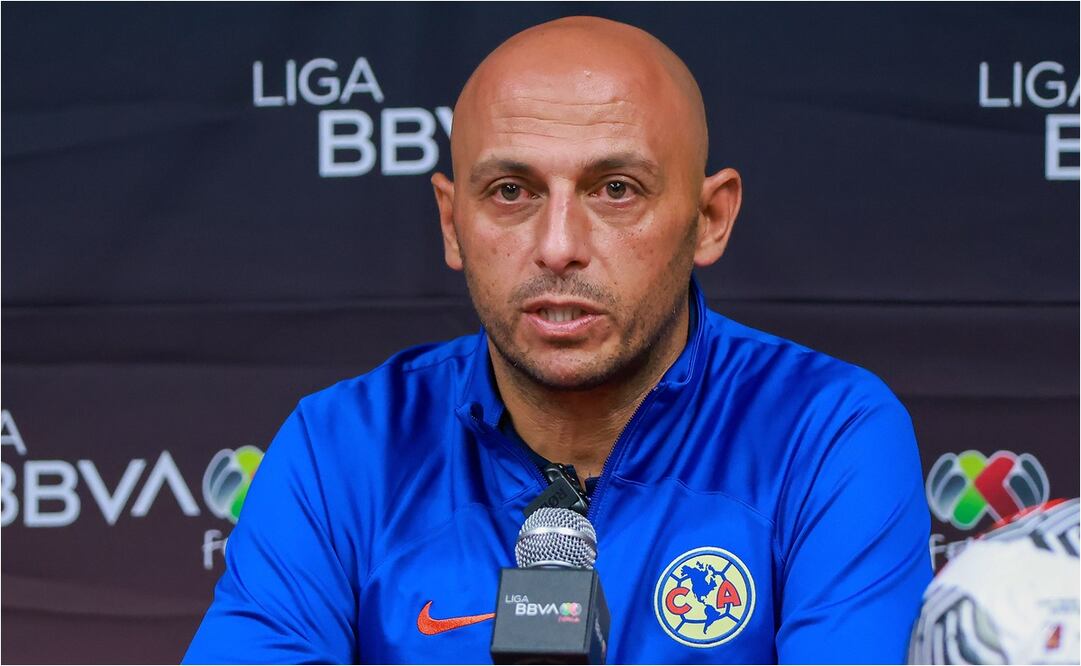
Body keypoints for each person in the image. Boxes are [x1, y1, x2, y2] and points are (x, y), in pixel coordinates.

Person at [184, 16, 931, 664]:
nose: (558, 245)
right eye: (511, 192)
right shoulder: (341, 445)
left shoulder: (825, 431)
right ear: (452, 222)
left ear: (709, 218)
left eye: (615, 190)